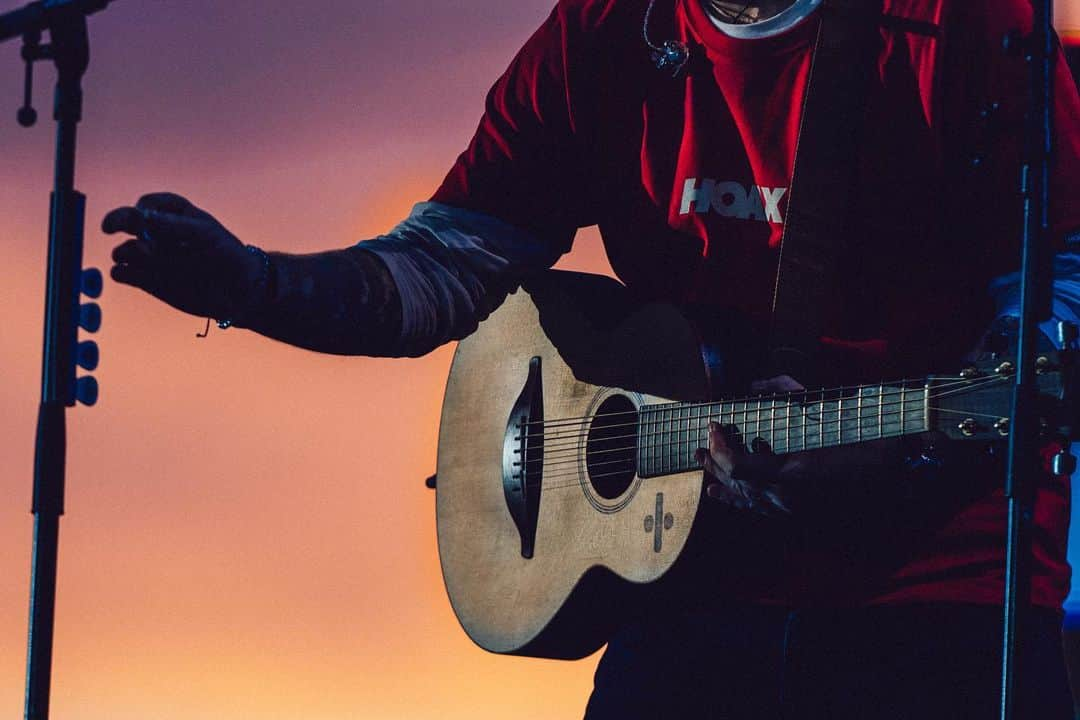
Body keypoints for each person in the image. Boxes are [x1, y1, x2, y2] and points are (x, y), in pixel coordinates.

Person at [103, 0, 1080, 717]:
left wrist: (905, 447)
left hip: (947, 594)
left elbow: (1068, 276)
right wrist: (255, 285)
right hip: (692, 585)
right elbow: (449, 262)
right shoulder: (609, 34)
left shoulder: (960, 32)